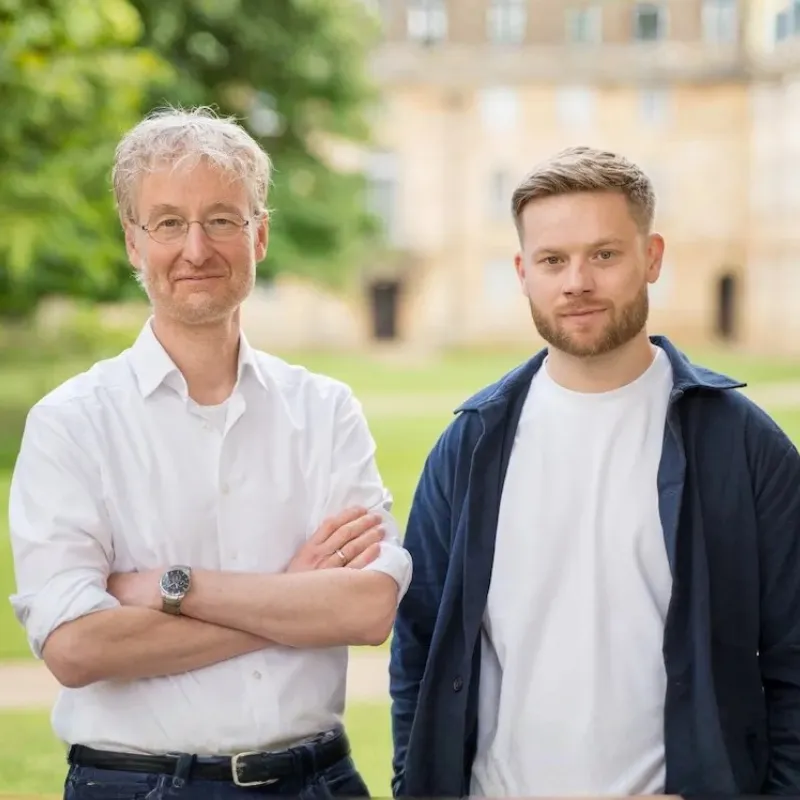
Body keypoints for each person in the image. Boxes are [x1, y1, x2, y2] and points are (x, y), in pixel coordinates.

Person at [9, 107, 412, 799]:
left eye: (222, 219)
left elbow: (367, 611)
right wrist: (289, 595)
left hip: (316, 782)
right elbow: (76, 650)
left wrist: (177, 588)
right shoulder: (70, 423)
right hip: (134, 786)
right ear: (134, 244)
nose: (196, 248)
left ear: (259, 235)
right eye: (167, 222)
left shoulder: (325, 410)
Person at [389, 145, 800, 797]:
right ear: (523, 271)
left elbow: (793, 660)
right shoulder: (470, 446)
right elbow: (419, 648)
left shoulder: (743, 446)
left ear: (653, 257)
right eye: (553, 260)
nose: (576, 281)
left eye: (603, 255)